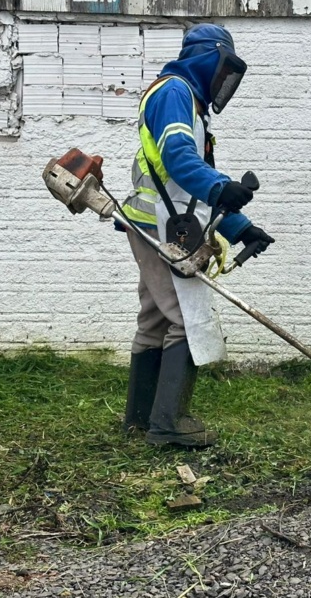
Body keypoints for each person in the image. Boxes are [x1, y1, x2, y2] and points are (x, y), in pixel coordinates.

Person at [118, 24, 274, 448]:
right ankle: (169, 422)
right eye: (224, 69)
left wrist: (240, 228)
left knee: (156, 319)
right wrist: (221, 186)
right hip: (159, 227)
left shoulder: (186, 101)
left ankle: (141, 419)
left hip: (160, 224)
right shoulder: (175, 91)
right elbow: (179, 159)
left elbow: (189, 193)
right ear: (209, 57)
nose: (224, 80)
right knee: (187, 319)